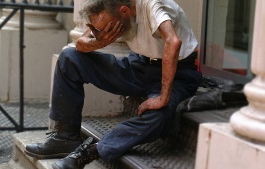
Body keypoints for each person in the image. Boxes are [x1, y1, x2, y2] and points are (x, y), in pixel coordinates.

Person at [24, 0, 202, 168]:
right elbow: (81, 44)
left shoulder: (152, 5)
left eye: (104, 28)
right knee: (69, 58)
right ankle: (65, 137)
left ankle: (92, 151)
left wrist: (163, 98)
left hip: (177, 73)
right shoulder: (107, 7)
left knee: (159, 115)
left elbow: (173, 41)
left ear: (124, 11)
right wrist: (98, 41)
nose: (100, 31)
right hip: (138, 67)